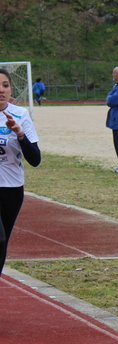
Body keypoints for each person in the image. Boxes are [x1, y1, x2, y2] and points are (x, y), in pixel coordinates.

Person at [0, 68, 41, 277]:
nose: (1, 90)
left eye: (5, 85)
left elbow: (35, 160)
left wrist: (20, 134)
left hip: (12, 189)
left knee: (2, 242)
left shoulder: (20, 115)